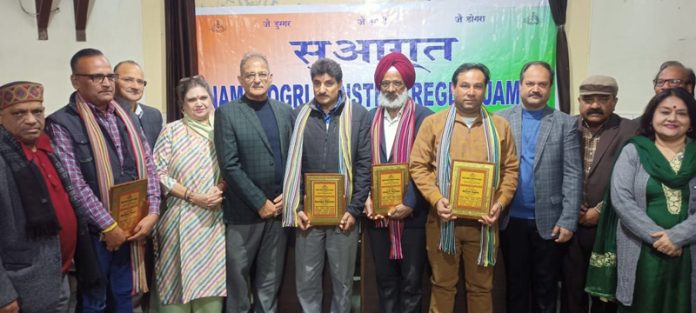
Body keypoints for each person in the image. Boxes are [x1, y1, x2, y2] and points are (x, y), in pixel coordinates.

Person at [46, 48, 161, 312]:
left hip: (132, 226)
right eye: (96, 77)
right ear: (76, 80)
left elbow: (149, 167)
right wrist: (109, 227)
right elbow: (74, 183)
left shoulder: (127, 115)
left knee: (123, 296)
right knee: (94, 299)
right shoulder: (62, 123)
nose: (107, 82)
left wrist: (153, 211)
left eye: (109, 76)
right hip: (93, 233)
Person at [410, 63, 519, 313]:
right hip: (443, 222)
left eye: (478, 86)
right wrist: (437, 199)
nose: (471, 92)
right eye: (465, 85)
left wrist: (499, 204)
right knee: (442, 286)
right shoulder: (433, 123)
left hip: (484, 224)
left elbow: (511, 170)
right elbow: (417, 165)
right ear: (453, 88)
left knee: (481, 288)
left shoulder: (500, 126)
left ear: (485, 90)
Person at [586, 88, 696, 313]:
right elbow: (621, 200)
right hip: (640, 246)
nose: (672, 118)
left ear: (691, 121)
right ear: (652, 117)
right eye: (664, 111)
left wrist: (676, 238)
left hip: (687, 249)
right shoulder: (634, 151)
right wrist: (658, 238)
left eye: (682, 114)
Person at [0, 81, 99, 313]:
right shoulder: (5, 159)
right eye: (19, 113)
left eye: (37, 111)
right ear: (1, 117)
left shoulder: (47, 147)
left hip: (62, 273)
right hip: (22, 285)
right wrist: (3, 295)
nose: (32, 119)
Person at [282, 58, 371, 313]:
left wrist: (354, 210)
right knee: (307, 280)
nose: (322, 89)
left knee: (342, 282)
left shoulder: (358, 115)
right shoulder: (300, 115)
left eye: (329, 83)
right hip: (308, 215)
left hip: (344, 215)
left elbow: (364, 165)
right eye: (317, 83)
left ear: (339, 84)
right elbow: (293, 165)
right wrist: (297, 206)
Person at [497, 61, 582, 313]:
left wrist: (568, 220)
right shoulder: (500, 119)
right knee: (515, 287)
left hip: (550, 221)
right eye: (530, 83)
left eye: (542, 84)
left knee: (546, 289)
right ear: (520, 85)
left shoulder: (565, 123)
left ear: (550, 87)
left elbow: (573, 173)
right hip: (510, 218)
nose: (536, 89)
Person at [214, 53, 294, 313]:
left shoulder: (285, 111)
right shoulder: (226, 113)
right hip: (244, 213)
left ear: (271, 78)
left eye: (262, 74)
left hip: (279, 212)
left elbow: (295, 159)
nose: (257, 79)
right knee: (237, 277)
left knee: (270, 279)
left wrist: (289, 195)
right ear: (240, 79)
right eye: (250, 75)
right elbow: (229, 164)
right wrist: (259, 202)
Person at [560, 75, 637, 313]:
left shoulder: (631, 130)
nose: (595, 105)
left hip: (610, 227)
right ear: (579, 101)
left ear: (614, 101)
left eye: (603, 99)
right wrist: (571, 208)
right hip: (570, 225)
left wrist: (601, 210)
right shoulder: (566, 126)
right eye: (588, 99)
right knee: (571, 292)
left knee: (605, 294)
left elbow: (635, 181)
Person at [364, 52, 432, 313]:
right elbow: (362, 165)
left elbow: (429, 167)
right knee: (385, 282)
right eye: (386, 84)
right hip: (378, 217)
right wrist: (366, 198)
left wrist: (410, 202)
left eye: (398, 84)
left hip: (413, 218)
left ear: (408, 85)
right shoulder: (369, 119)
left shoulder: (425, 117)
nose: (391, 89)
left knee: (412, 283)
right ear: (379, 85)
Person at [152, 75, 226, 312]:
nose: (199, 103)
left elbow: (234, 167)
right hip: (179, 218)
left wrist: (220, 189)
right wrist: (192, 196)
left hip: (214, 220)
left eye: (203, 97)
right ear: (182, 104)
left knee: (211, 285)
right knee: (176, 283)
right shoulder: (171, 131)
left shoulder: (223, 130)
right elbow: (158, 173)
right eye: (192, 99)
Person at [114, 60, 163, 148]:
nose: (135, 87)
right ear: (113, 81)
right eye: (128, 80)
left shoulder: (154, 115)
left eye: (140, 82)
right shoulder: (106, 114)